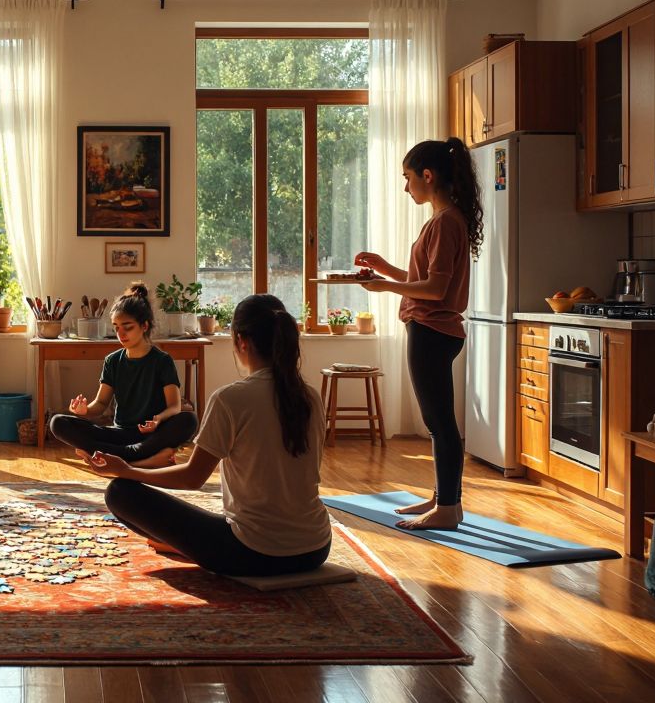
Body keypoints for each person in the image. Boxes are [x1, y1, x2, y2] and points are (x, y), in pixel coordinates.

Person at [82, 295, 331, 576]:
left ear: (240, 341)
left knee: (120, 492)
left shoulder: (230, 398)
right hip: (316, 548)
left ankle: (184, 544)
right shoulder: (310, 396)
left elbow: (192, 477)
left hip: (254, 553)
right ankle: (185, 543)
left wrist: (127, 471)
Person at [354, 137, 484, 531]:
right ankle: (445, 500)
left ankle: (447, 508)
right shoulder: (446, 219)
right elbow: (424, 280)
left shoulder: (445, 222)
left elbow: (434, 291)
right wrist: (386, 270)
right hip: (434, 329)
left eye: (407, 178)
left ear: (427, 176)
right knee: (437, 419)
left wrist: (386, 288)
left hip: (432, 330)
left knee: (439, 421)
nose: (405, 186)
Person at [48, 282, 198, 468]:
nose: (121, 333)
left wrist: (158, 419)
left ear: (144, 326)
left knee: (189, 420)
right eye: (116, 327)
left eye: (127, 327)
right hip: (119, 434)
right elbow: (101, 404)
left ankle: (106, 455)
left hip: (151, 435)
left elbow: (175, 406)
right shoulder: (112, 360)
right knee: (58, 423)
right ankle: (137, 459)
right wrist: (84, 411)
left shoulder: (162, 361)